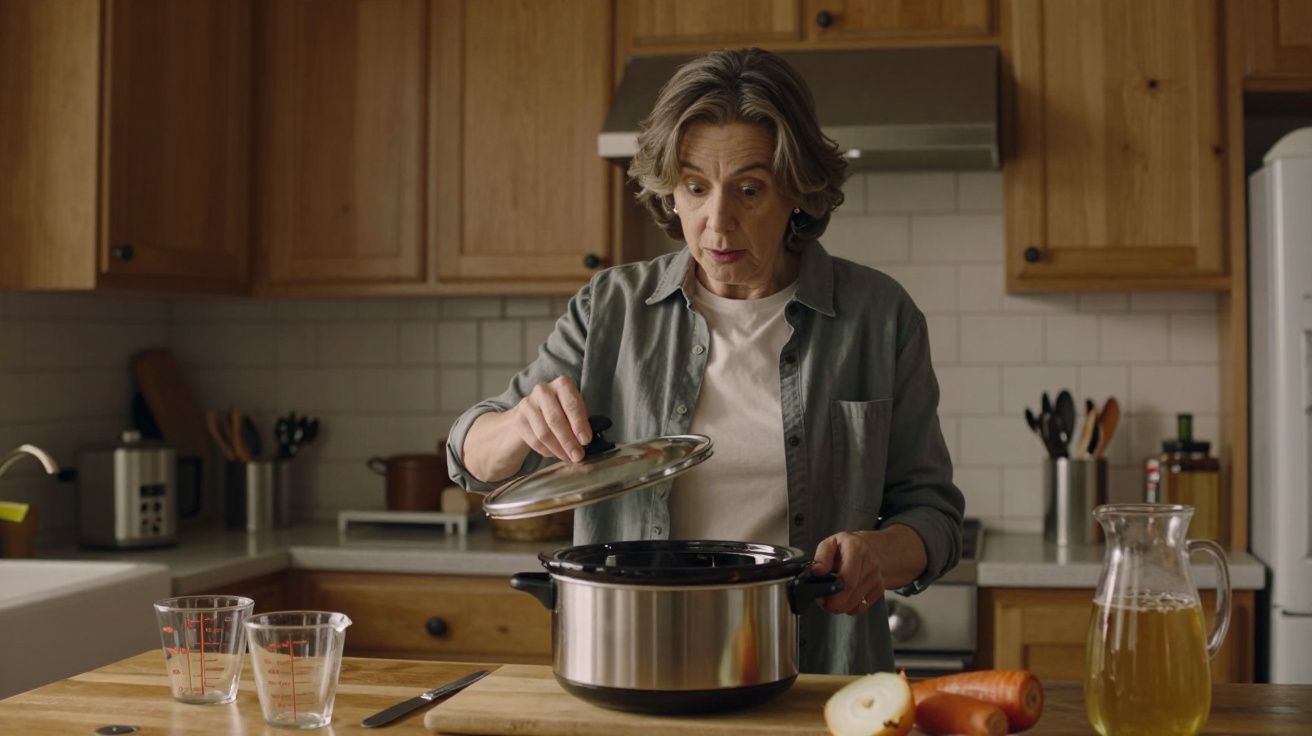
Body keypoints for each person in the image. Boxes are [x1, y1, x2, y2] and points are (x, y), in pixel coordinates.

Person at [446, 47, 964, 675]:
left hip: (815, 670)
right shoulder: (612, 307)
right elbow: (469, 457)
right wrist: (518, 424)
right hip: (634, 663)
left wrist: (879, 551)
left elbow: (933, 515)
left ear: (797, 192)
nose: (718, 223)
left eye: (749, 190)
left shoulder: (878, 317)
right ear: (672, 190)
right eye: (695, 188)